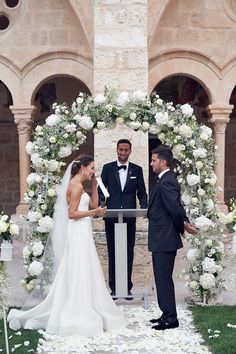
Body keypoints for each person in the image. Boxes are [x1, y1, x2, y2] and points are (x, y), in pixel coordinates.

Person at [8, 155, 127, 336]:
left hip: (84, 231)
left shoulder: (82, 185)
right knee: (78, 266)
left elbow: (94, 206)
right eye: (92, 168)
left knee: (86, 267)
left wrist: (95, 187)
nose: (93, 171)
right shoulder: (76, 185)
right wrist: (94, 211)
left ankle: (90, 304)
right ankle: (77, 309)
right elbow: (72, 214)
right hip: (77, 231)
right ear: (82, 168)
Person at [147, 146, 197, 330]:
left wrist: (181, 225)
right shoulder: (164, 179)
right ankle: (165, 313)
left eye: (154, 160)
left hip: (164, 237)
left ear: (163, 162)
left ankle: (171, 318)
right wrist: (183, 222)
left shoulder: (167, 181)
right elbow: (177, 206)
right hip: (162, 236)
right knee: (162, 278)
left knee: (164, 279)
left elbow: (174, 209)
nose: (151, 163)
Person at [99, 139, 147, 299]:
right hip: (111, 217)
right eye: (121, 150)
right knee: (112, 251)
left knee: (128, 251)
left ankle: (127, 288)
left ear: (130, 151)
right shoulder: (107, 168)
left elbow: (142, 192)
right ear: (117, 150)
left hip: (129, 217)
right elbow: (101, 190)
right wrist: (101, 205)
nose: (123, 153)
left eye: (126, 150)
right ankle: (113, 287)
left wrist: (144, 209)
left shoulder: (137, 170)